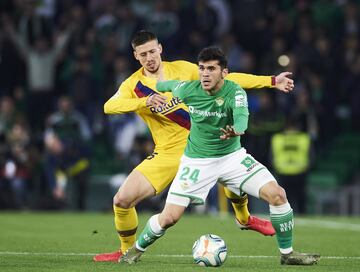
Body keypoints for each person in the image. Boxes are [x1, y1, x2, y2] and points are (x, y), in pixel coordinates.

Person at [94, 30, 295, 262]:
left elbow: (226, 80)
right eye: (143, 54)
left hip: (204, 144)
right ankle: (126, 251)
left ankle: (245, 218)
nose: (149, 57)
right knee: (122, 200)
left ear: (160, 49)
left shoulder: (182, 69)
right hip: (168, 153)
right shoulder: (134, 85)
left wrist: (270, 81)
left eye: (152, 51)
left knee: (231, 167)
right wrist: (144, 101)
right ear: (135, 56)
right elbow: (109, 106)